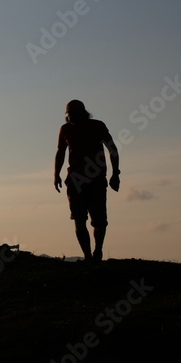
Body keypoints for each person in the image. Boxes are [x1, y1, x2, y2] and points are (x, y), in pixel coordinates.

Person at [54, 99, 120, 263]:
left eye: (73, 114)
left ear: (83, 113)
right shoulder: (65, 129)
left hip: (96, 180)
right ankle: (88, 256)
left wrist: (115, 173)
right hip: (75, 180)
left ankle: (97, 250)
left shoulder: (98, 126)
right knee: (79, 218)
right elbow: (60, 152)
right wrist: (56, 174)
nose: (70, 117)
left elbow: (112, 149)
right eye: (68, 114)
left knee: (99, 221)